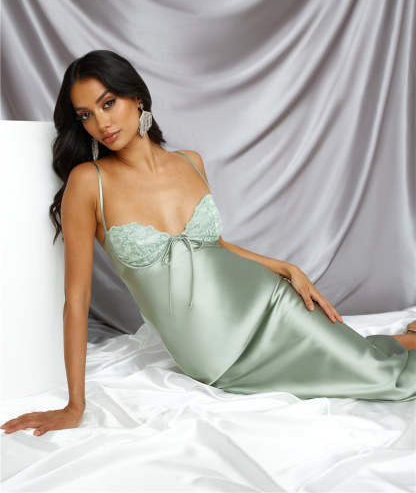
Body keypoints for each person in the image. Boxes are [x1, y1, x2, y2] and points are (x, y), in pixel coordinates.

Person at [2, 50, 416, 437]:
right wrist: (75, 405)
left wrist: (285, 267)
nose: (101, 123)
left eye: (108, 103)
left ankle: (406, 339)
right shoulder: (88, 183)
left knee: (364, 364)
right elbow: (76, 300)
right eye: (86, 115)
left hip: (266, 301)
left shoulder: (190, 162)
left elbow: (212, 247)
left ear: (137, 98)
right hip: (213, 350)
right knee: (379, 377)